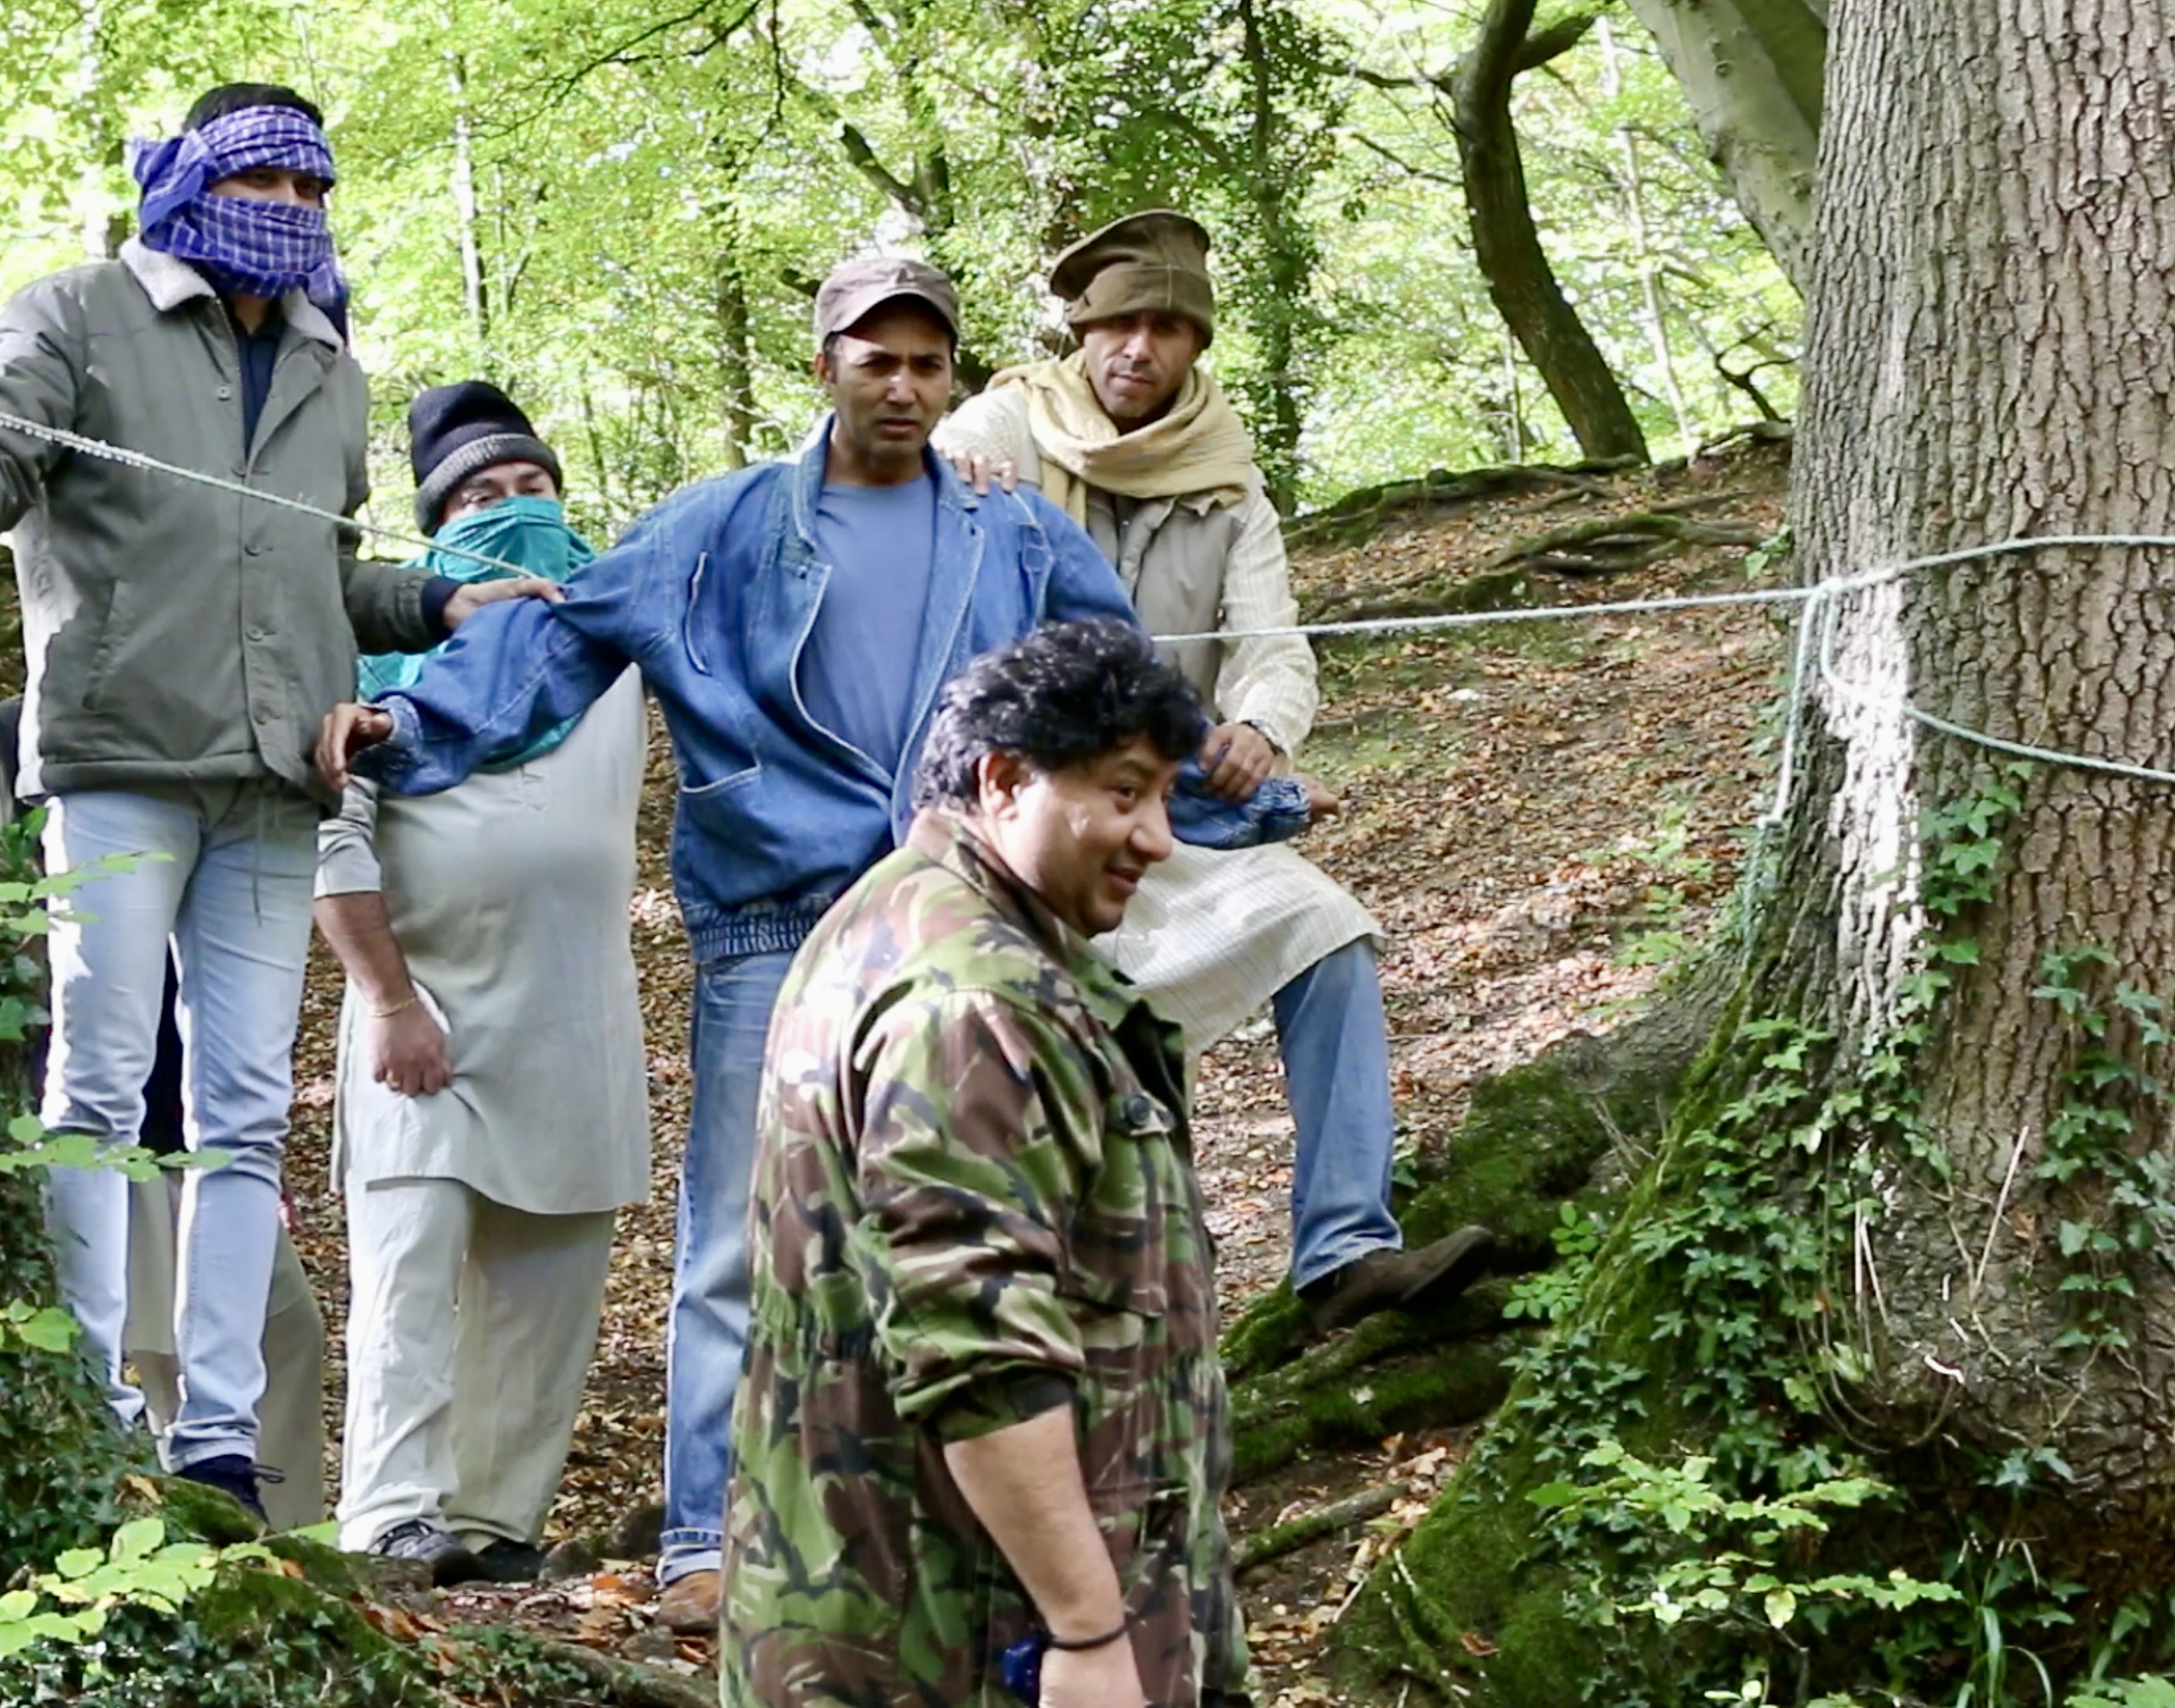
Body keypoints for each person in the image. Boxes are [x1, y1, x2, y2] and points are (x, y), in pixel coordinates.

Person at [316, 254, 1184, 1633]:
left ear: (952, 378)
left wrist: (1240, 774)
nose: (901, 387)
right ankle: (702, 1542)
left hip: (958, 923)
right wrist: (414, 727)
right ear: (826, 362)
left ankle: (964, 1532)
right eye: (874, 359)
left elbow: (1128, 691)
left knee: (974, 1225)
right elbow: (557, 648)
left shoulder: (1013, 536)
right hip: (770, 921)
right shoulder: (712, 527)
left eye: (926, 364)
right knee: (738, 1238)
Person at [0, 81, 547, 1514]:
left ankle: (217, 1436)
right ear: (186, 182)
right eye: (263, 184)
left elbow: (318, 577)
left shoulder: (326, 365)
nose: (290, 213)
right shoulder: (76, 313)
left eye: (312, 191)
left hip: (275, 786)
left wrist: (438, 595)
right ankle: (97, 1400)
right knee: (98, 1090)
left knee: (242, 1111)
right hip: (114, 764)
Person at [935, 210, 1495, 1337]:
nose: (1137, 350)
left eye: (1165, 329)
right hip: (1027, 809)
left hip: (1177, 809)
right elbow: (916, 503)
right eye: (1118, 326)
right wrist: (963, 474)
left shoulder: (1230, 479)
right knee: (1104, 1027)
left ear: (1196, 347)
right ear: (1081, 335)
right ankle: (1130, 1308)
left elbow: (1274, 642)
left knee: (1327, 929)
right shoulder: (1003, 424)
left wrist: (1261, 728)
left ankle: (1346, 1249)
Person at [721, 619, 1247, 1708]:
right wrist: (1090, 1632)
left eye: (1163, 799)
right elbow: (979, 1351)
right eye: (1122, 791)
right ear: (1005, 780)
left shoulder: (897, 920)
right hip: (963, 1639)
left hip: (921, 1614)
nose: (1155, 836)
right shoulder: (977, 1000)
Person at [319, 383, 651, 1586]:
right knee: (408, 1268)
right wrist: (390, 998)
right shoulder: (371, 674)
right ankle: (392, 1515)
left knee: (548, 1280)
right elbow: (331, 839)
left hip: (576, 1011)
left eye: (531, 490)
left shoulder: (615, 651)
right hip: (426, 1014)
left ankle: (499, 1517)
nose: (513, 512)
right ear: (440, 535)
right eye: (479, 499)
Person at [0, 700, 332, 1534]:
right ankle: (113, 1524)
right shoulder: (3, 746)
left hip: (197, 1141)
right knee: (130, 1354)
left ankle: (272, 1545)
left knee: (284, 1331)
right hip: (77, 1141)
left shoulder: (250, 751)